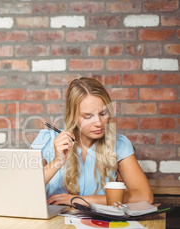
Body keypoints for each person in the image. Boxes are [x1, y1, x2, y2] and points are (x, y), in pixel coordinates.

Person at [31, 77, 153, 206]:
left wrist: (77, 200)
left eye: (103, 113)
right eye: (88, 116)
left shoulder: (119, 145)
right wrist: (57, 161)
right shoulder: (47, 140)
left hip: (98, 224)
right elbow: (24, 188)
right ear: (72, 116)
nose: (99, 123)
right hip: (53, 224)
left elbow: (144, 196)